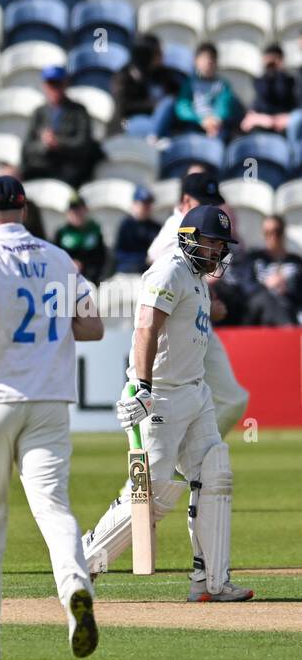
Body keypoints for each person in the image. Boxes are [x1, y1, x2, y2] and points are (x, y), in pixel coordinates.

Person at [0, 175, 103, 660]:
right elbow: (92, 327)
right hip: (50, 398)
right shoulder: (60, 259)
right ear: (25, 210)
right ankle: (75, 586)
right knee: (53, 508)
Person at [80, 206, 254, 603]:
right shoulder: (169, 270)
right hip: (160, 395)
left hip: (196, 392)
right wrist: (141, 386)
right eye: (213, 243)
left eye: (221, 246)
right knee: (152, 494)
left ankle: (211, 582)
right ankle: (84, 563)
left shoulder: (196, 278)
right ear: (190, 237)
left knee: (215, 473)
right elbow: (146, 327)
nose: (218, 253)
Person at [147, 170, 249, 435]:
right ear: (185, 201)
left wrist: (205, 301)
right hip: (175, 330)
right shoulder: (177, 229)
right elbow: (166, 276)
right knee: (182, 412)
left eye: (213, 203)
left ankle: (185, 459)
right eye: (204, 202)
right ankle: (177, 461)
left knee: (229, 399)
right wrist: (203, 304)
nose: (210, 209)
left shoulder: (198, 229)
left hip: (197, 324)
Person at [21, 66, 99, 188]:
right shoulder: (39, 112)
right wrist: (44, 144)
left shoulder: (78, 111)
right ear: (45, 86)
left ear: (65, 84)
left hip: (69, 168)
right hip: (42, 166)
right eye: (51, 84)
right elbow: (27, 147)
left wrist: (58, 143)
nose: (54, 89)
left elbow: (84, 144)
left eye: (58, 84)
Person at [108, 32, 178, 137]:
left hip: (158, 121)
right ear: (146, 55)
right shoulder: (124, 76)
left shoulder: (162, 74)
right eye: (158, 53)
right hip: (128, 123)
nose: (162, 56)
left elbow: (175, 93)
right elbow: (123, 107)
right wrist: (153, 105)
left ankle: (155, 136)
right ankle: (154, 137)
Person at [168, 42, 241, 142]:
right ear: (196, 61)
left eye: (211, 59)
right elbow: (183, 107)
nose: (208, 63)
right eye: (204, 59)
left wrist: (215, 120)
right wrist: (201, 120)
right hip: (193, 124)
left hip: (216, 126)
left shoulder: (222, 85)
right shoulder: (189, 83)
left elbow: (223, 106)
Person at [243, 216, 302, 326]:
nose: (272, 237)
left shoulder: (296, 261)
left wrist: (287, 288)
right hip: (259, 311)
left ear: (283, 233)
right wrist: (267, 285)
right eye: (267, 233)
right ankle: (288, 332)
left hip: (289, 307)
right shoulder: (254, 258)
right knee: (266, 299)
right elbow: (246, 288)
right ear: (262, 234)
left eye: (277, 232)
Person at [240, 43, 298, 137]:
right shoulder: (260, 80)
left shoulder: (289, 80)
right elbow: (264, 94)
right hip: (264, 119)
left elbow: (282, 93)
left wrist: (280, 72)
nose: (271, 64)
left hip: (282, 119)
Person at [54, 193, 107, 284]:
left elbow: (101, 258)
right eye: (73, 210)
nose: (76, 214)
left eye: (79, 210)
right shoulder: (61, 233)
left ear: (86, 210)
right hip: (65, 279)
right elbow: (55, 259)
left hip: (91, 279)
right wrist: (70, 264)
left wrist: (84, 266)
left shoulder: (94, 231)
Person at [113, 185, 161, 274]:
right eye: (143, 203)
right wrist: (144, 259)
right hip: (128, 273)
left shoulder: (156, 227)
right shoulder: (126, 226)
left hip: (151, 273)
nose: (146, 207)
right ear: (134, 204)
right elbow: (119, 255)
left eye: (149, 203)